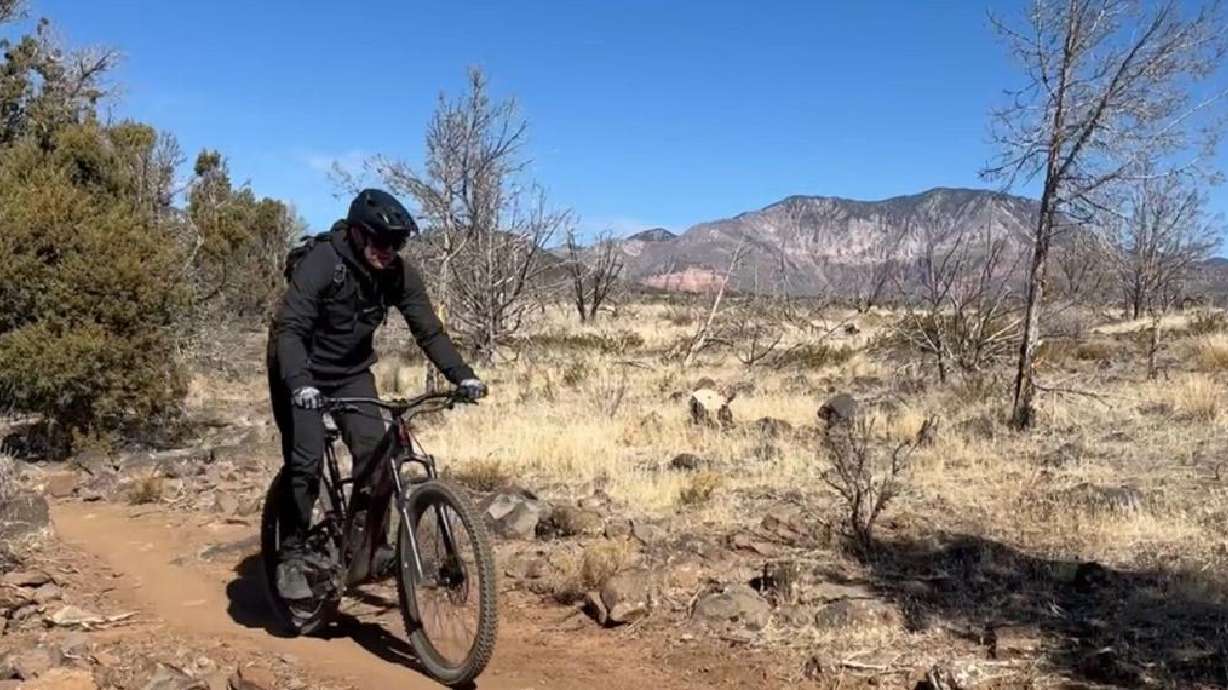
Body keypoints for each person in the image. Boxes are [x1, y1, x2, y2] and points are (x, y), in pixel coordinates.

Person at [267, 188, 485, 600]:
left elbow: (429, 330)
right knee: (307, 459)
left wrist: (462, 376)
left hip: (350, 372)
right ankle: (292, 554)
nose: (389, 251)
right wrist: (300, 384)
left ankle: (370, 547)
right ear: (356, 233)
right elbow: (290, 330)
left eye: (397, 243)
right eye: (382, 241)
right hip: (298, 368)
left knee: (378, 453)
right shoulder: (322, 263)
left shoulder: (398, 274)